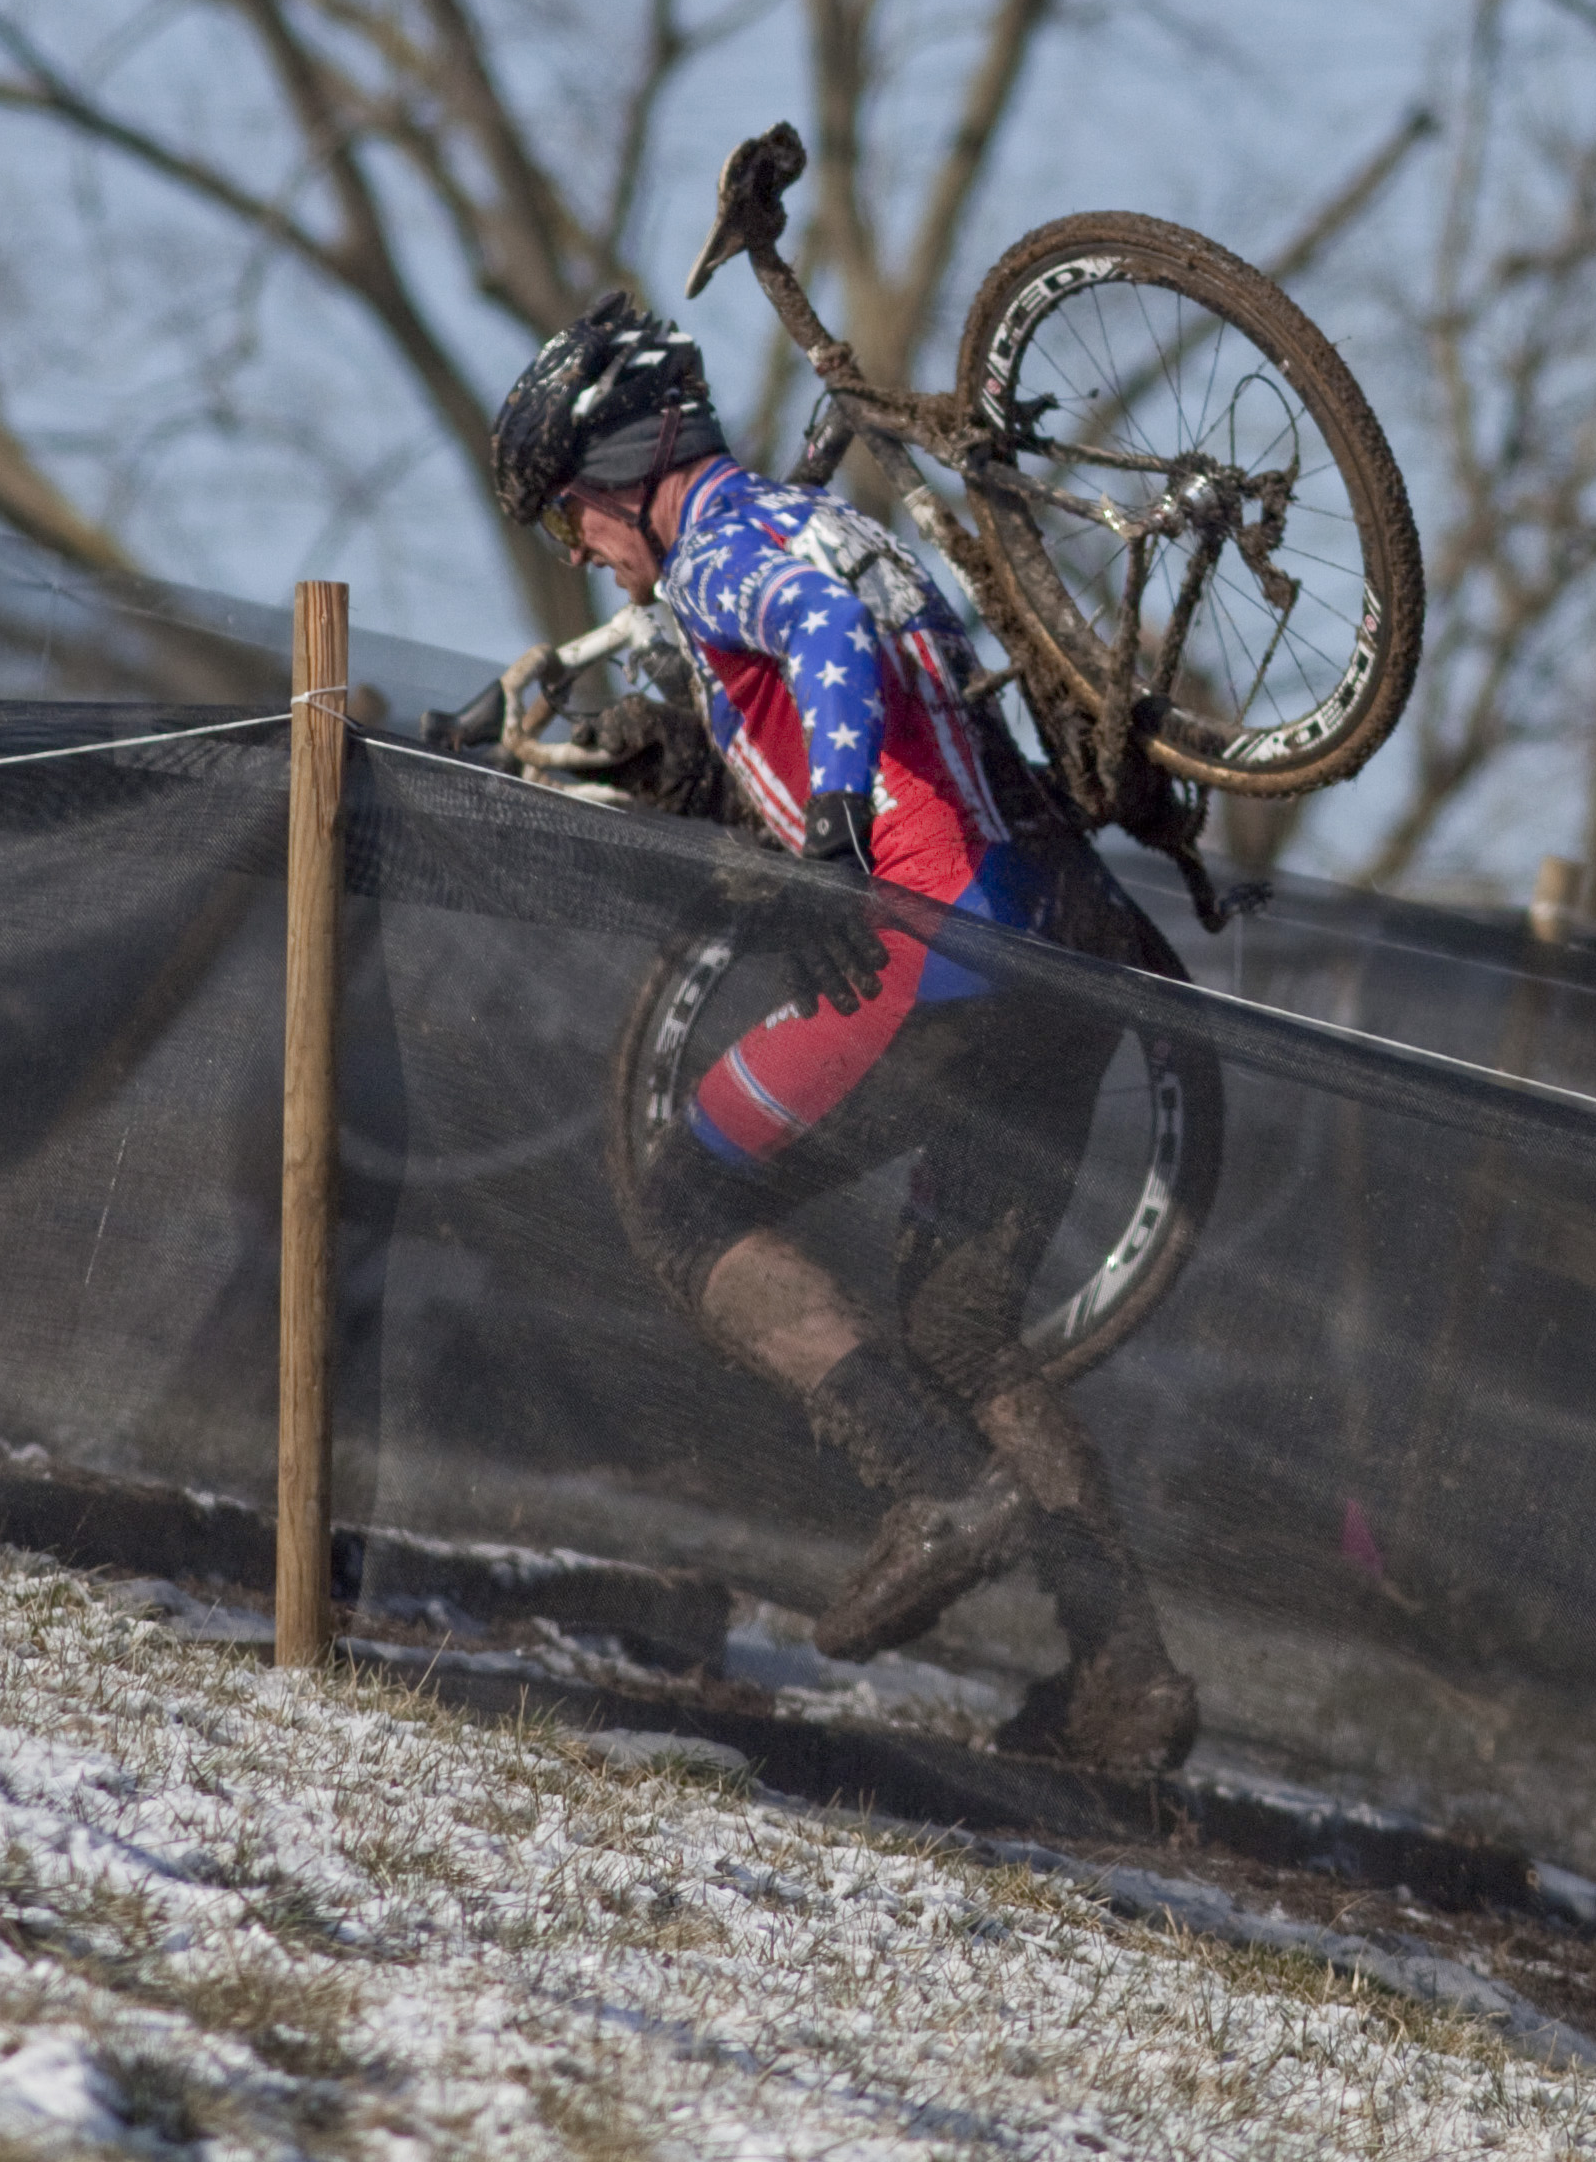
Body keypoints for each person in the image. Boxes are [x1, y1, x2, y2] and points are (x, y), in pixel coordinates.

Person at [486, 290, 1199, 1774]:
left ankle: (937, 1491)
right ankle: (1126, 1680)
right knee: (958, 1324)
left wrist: (825, 815)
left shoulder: (739, 552)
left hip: (945, 949)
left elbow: (818, 643)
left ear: (623, 471)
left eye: (572, 522)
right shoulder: (841, 525)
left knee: (684, 1199)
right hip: (1072, 944)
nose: (583, 553)